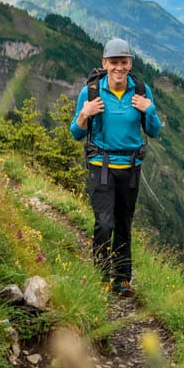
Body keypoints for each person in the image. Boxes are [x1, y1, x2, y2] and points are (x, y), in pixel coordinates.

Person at [69, 37, 162, 295]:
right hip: (101, 166)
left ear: (130, 63)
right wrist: (85, 114)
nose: (118, 68)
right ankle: (100, 278)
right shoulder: (91, 93)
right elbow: (75, 133)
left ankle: (121, 280)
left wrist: (150, 110)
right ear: (104, 63)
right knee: (104, 224)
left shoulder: (141, 91)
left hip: (131, 169)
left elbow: (154, 131)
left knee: (123, 224)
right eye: (113, 62)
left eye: (123, 62)